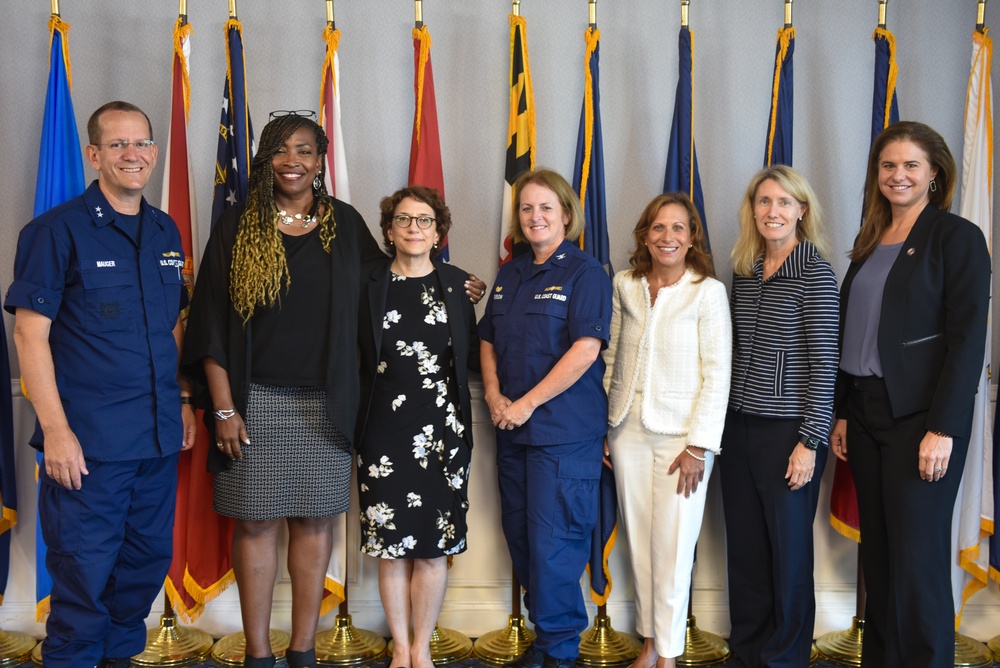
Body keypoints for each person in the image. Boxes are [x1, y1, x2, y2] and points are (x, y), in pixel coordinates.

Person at [4, 101, 196, 667]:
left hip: (156, 440)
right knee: (84, 585)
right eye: (117, 145)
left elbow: (171, 324)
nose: (132, 155)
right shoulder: (53, 232)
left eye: (141, 144)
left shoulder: (165, 229)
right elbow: (29, 338)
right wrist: (56, 432)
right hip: (89, 447)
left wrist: (182, 399)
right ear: (94, 155)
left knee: (139, 575)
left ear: (154, 153)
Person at [830, 121, 990, 668]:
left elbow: (969, 339)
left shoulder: (956, 237)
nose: (897, 175)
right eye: (888, 166)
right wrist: (846, 411)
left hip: (922, 419)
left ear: (934, 174)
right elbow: (858, 329)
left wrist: (942, 428)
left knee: (917, 562)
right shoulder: (871, 239)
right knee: (880, 557)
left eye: (910, 166)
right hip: (868, 412)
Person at [479, 168, 612, 668]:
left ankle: (560, 652)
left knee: (555, 545)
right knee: (522, 538)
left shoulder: (585, 272)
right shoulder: (510, 272)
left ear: (566, 214)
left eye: (545, 208)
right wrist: (493, 396)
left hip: (562, 434)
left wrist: (527, 403)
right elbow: (487, 338)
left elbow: (585, 349)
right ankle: (545, 640)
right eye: (527, 209)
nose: (535, 217)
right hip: (510, 429)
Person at [603, 193, 731, 668]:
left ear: (692, 237)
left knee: (674, 548)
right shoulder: (625, 284)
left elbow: (718, 372)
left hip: (684, 440)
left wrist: (700, 445)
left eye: (678, 229)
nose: (668, 237)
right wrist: (606, 424)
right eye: (659, 228)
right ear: (645, 235)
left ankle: (669, 655)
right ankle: (650, 643)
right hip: (626, 432)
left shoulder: (707, 291)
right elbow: (611, 357)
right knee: (640, 543)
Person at [356, 186, 480, 668]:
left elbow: (471, 352)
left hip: (442, 434)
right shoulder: (366, 283)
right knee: (390, 547)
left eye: (424, 220)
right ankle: (400, 648)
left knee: (431, 548)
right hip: (382, 432)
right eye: (404, 220)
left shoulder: (456, 285)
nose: (413, 228)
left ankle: (422, 647)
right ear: (389, 230)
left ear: (438, 231)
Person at [720, 165, 839, 668]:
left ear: (802, 211)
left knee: (789, 552)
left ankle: (785, 657)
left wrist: (809, 442)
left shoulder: (815, 272)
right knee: (746, 548)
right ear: (753, 210)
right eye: (764, 201)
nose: (773, 211)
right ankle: (748, 649)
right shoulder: (744, 269)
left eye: (784, 203)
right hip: (739, 428)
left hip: (789, 432)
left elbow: (825, 363)